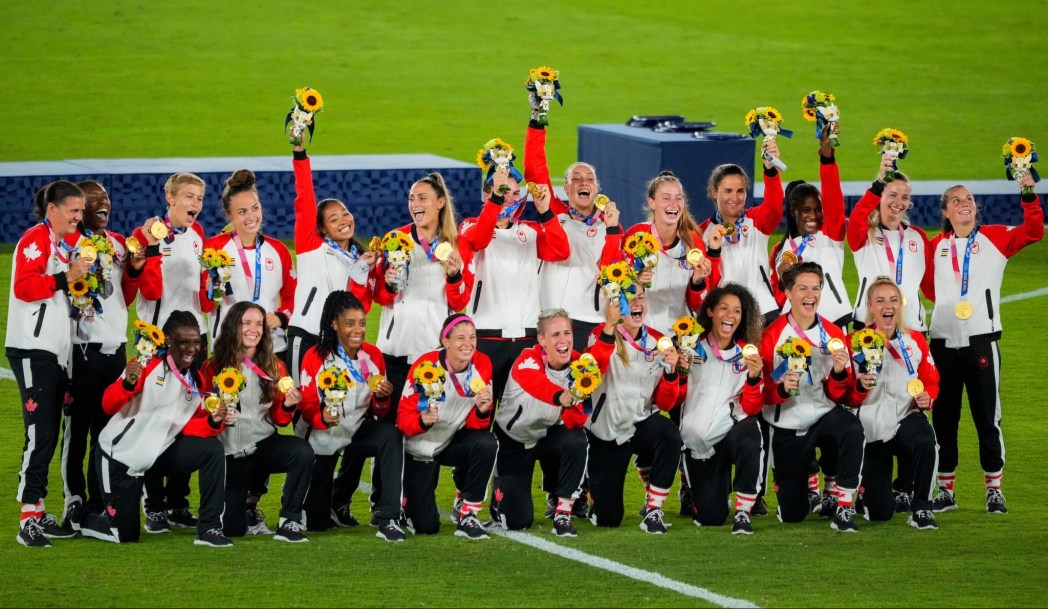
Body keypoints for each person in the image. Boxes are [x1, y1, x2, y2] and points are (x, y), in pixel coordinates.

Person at [924, 176, 1043, 514]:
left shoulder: (995, 238)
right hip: (942, 345)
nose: (966, 204)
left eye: (970, 199)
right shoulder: (935, 246)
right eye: (957, 200)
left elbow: (1034, 230)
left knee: (987, 418)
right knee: (944, 419)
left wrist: (1027, 191)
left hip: (981, 343)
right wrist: (952, 310)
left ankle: (994, 489)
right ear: (946, 211)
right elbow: (928, 288)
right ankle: (945, 490)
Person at [78, 311, 232, 547]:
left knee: (212, 449)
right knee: (125, 535)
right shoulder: (147, 365)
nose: (191, 349)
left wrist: (212, 422)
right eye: (183, 342)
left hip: (157, 456)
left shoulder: (196, 380)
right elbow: (108, 405)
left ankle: (210, 528)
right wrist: (127, 384)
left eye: (196, 342)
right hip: (119, 459)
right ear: (168, 341)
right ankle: (82, 519)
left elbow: (187, 426)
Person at [6, 181, 89, 547]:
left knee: (49, 433)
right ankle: (27, 520)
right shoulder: (35, 239)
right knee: (40, 434)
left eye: (80, 211)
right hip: (31, 348)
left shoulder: (58, 244)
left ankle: (38, 512)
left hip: (54, 351)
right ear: (51, 209)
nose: (78, 216)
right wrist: (65, 278)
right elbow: (24, 287)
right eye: (72, 210)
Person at [58, 180, 143, 533]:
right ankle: (73, 502)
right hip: (81, 350)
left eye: (106, 198)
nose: (103, 203)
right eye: (94, 199)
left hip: (115, 352)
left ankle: (98, 502)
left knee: (107, 430)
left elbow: (126, 293)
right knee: (77, 430)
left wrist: (136, 268)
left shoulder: (120, 246)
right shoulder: (67, 246)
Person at [759, 262, 866, 532]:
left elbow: (837, 394)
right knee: (792, 514)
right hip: (788, 423)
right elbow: (763, 392)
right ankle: (807, 489)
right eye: (803, 288)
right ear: (788, 293)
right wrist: (782, 388)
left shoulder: (832, 334)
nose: (811, 294)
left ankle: (842, 505)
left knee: (852, 428)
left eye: (816, 288)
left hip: (822, 415)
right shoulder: (771, 336)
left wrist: (840, 373)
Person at [295, 291, 404, 542]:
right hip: (321, 439)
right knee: (316, 524)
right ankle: (310, 501)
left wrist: (382, 398)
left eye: (362, 323)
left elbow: (379, 412)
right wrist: (322, 417)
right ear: (335, 325)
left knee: (389, 435)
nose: (358, 330)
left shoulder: (373, 356)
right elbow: (307, 405)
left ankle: (389, 517)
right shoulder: (316, 356)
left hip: (355, 432)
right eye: (350, 323)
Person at [200, 301, 313, 542]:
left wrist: (288, 405)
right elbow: (202, 414)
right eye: (247, 323)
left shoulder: (274, 365)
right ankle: (243, 509)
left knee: (301, 451)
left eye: (259, 324)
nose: (254, 329)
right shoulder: (212, 367)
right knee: (232, 528)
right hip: (230, 452)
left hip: (262, 446)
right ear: (233, 327)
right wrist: (216, 416)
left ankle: (289, 521)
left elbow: (279, 420)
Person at [132, 172, 208, 531]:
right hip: (159, 339)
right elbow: (147, 291)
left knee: (189, 420)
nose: (195, 204)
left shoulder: (198, 236)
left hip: (196, 339)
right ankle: (154, 504)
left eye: (200, 199)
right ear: (171, 198)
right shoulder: (145, 235)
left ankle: (179, 503)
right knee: (156, 420)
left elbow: (203, 292)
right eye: (189, 197)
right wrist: (153, 250)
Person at [459, 163, 569, 407]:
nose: (510, 198)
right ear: (488, 196)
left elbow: (561, 251)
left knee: (525, 412)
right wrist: (495, 204)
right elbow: (480, 238)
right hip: (487, 337)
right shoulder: (469, 226)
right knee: (481, 409)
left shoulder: (529, 231)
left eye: (515, 193)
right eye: (502, 191)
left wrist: (546, 212)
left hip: (527, 338)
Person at [584, 288, 684, 534]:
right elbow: (593, 369)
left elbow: (666, 404)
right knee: (608, 518)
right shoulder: (600, 335)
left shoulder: (659, 342)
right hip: (606, 431)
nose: (637, 302)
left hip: (639, 425)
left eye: (641, 296)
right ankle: (587, 490)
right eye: (629, 298)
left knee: (669, 435)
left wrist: (671, 373)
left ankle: (654, 509)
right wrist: (610, 325)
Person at [373, 173, 474, 415]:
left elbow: (460, 302)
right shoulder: (395, 240)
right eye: (411, 198)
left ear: (440, 202)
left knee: (429, 420)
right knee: (390, 421)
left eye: (422, 198)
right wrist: (388, 284)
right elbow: (379, 296)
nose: (415, 204)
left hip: (435, 351)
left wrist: (453, 276)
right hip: (395, 348)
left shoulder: (458, 245)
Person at [524, 96, 615, 353]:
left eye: (589, 179)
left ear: (597, 188)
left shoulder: (609, 226)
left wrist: (613, 230)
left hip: (589, 322)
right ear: (565, 188)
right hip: (546, 320)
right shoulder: (555, 215)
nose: (583, 183)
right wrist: (537, 121)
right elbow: (535, 170)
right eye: (576, 179)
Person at [848, 276, 941, 530]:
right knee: (879, 513)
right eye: (880, 301)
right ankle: (867, 496)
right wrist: (859, 387)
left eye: (893, 300)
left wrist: (927, 398)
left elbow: (931, 381)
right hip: (872, 430)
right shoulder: (854, 344)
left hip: (905, 419)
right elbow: (845, 395)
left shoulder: (915, 342)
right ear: (869, 306)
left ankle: (922, 506)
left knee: (925, 439)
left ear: (900, 305)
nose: (887, 306)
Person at [490, 308, 589, 537]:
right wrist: (560, 397)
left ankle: (562, 511)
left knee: (576, 440)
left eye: (567, 333)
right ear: (541, 340)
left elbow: (579, 417)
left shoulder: (581, 366)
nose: (563, 340)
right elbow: (536, 384)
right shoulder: (528, 360)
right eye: (555, 335)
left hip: (547, 435)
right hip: (514, 440)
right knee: (517, 522)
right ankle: (499, 491)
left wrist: (576, 407)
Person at [397, 315, 497, 540]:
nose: (468, 344)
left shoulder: (482, 364)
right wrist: (422, 421)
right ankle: (404, 500)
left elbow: (475, 425)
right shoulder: (425, 366)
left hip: (450, 441)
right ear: (446, 341)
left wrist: (482, 411)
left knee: (486, 442)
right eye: (460, 337)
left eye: (472, 337)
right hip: (418, 448)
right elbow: (403, 419)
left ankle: (468, 514)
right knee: (426, 527)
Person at [286, 140, 377, 386]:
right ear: (322, 229)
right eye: (333, 219)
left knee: (333, 404)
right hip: (304, 337)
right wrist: (300, 154)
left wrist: (362, 270)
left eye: (345, 213)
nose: (344, 221)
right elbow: (304, 198)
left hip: (336, 343)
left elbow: (362, 308)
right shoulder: (312, 247)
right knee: (300, 406)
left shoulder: (360, 260)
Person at [678, 284, 765, 535]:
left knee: (750, 435)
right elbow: (672, 400)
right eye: (724, 308)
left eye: (737, 311)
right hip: (700, 445)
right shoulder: (690, 347)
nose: (730, 315)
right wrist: (677, 372)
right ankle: (712, 490)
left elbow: (751, 406)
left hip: (732, 431)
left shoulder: (747, 355)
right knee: (710, 517)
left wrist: (754, 378)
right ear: (710, 312)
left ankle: (743, 511)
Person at [601, 170, 721, 334]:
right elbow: (610, 284)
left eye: (678, 198)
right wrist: (634, 280)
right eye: (666, 198)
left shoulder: (693, 242)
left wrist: (697, 282)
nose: (674, 203)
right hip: (640, 336)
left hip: (679, 336)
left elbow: (699, 305)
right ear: (652, 203)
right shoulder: (636, 236)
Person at [201, 169, 296, 359]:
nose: (251, 217)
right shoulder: (214, 249)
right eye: (242, 212)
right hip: (228, 346)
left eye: (255, 208)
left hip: (272, 347)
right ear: (229, 214)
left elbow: (293, 296)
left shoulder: (278, 251)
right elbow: (205, 305)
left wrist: (282, 317)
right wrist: (212, 289)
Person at [769, 125, 851, 328]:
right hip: (796, 327)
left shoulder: (830, 234)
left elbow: (834, 198)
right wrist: (782, 277)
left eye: (817, 209)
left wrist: (827, 156)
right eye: (806, 210)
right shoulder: (779, 251)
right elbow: (777, 295)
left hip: (833, 322)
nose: (813, 215)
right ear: (792, 211)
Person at [697, 142, 785, 328]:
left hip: (764, 310)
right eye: (728, 191)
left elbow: (775, 208)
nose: (735, 198)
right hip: (726, 318)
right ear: (714, 192)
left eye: (740, 191)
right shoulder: (702, 233)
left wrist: (770, 171)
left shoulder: (756, 221)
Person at [847, 155, 931, 332]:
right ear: (880, 197)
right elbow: (856, 218)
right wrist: (878, 183)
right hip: (869, 325)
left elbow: (930, 285)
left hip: (912, 326)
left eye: (905, 197)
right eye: (892, 195)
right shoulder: (865, 234)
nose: (899, 203)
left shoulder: (918, 237)